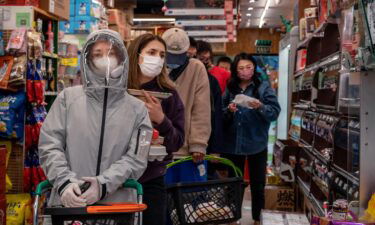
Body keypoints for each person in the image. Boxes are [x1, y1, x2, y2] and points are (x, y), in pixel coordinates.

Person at [39, 30, 153, 209]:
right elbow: (49, 145)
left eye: (111, 53)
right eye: (97, 54)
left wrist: (104, 184)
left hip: (118, 207)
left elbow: (138, 157)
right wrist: (65, 183)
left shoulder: (138, 110)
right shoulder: (67, 99)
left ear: (121, 58)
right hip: (70, 204)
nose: (105, 58)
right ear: (88, 60)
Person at [127, 33, 185, 225]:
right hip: (114, 178)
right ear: (137, 55)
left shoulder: (169, 94)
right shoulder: (117, 88)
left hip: (152, 178)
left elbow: (177, 142)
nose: (157, 59)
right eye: (152, 52)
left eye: (161, 55)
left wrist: (161, 119)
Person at [222, 53, 281, 225]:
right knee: (234, 183)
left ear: (254, 68)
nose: (245, 71)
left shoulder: (263, 87)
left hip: (257, 142)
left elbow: (275, 112)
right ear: (235, 70)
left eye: (248, 67)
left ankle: (257, 219)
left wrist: (260, 106)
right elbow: (221, 112)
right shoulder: (230, 87)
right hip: (233, 143)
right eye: (241, 68)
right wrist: (229, 110)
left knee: (258, 184)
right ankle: (233, 218)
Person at [162, 28, 211, 184]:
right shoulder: (155, 67)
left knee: (189, 201)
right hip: (157, 150)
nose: (174, 59)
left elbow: (201, 108)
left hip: (187, 151)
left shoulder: (196, 68)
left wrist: (198, 144)